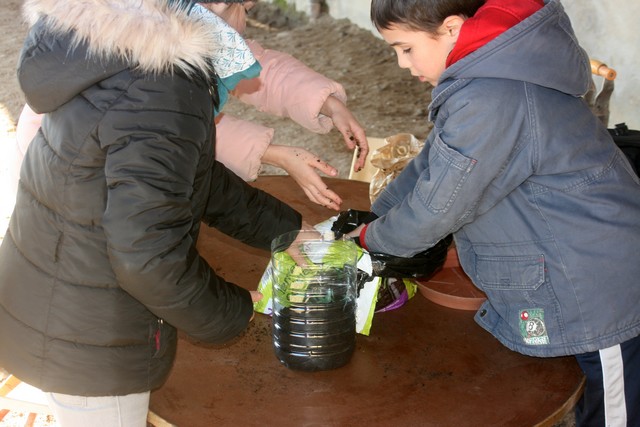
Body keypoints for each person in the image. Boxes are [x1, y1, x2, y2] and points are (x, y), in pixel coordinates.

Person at [0, 0, 311, 425]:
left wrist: (286, 229)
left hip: (60, 292)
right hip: (93, 340)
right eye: (246, 8)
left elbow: (184, 174)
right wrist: (233, 308)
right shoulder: (164, 87)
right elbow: (145, 257)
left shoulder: (114, 45)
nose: (245, 22)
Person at [351, 0, 640, 426]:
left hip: (595, 287)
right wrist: (376, 217)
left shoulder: (491, 96)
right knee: (580, 399)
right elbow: (431, 164)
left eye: (406, 48)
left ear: (451, 28)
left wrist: (367, 241)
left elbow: (438, 208)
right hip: (572, 266)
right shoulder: (485, 78)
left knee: (612, 413)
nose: (400, 63)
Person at [10, 0, 369, 212]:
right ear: (216, 8)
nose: (245, 20)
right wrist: (275, 153)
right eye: (246, 7)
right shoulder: (153, 68)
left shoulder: (167, 18)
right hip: (85, 180)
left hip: (98, 163)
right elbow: (179, 132)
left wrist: (328, 102)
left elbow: (257, 67)